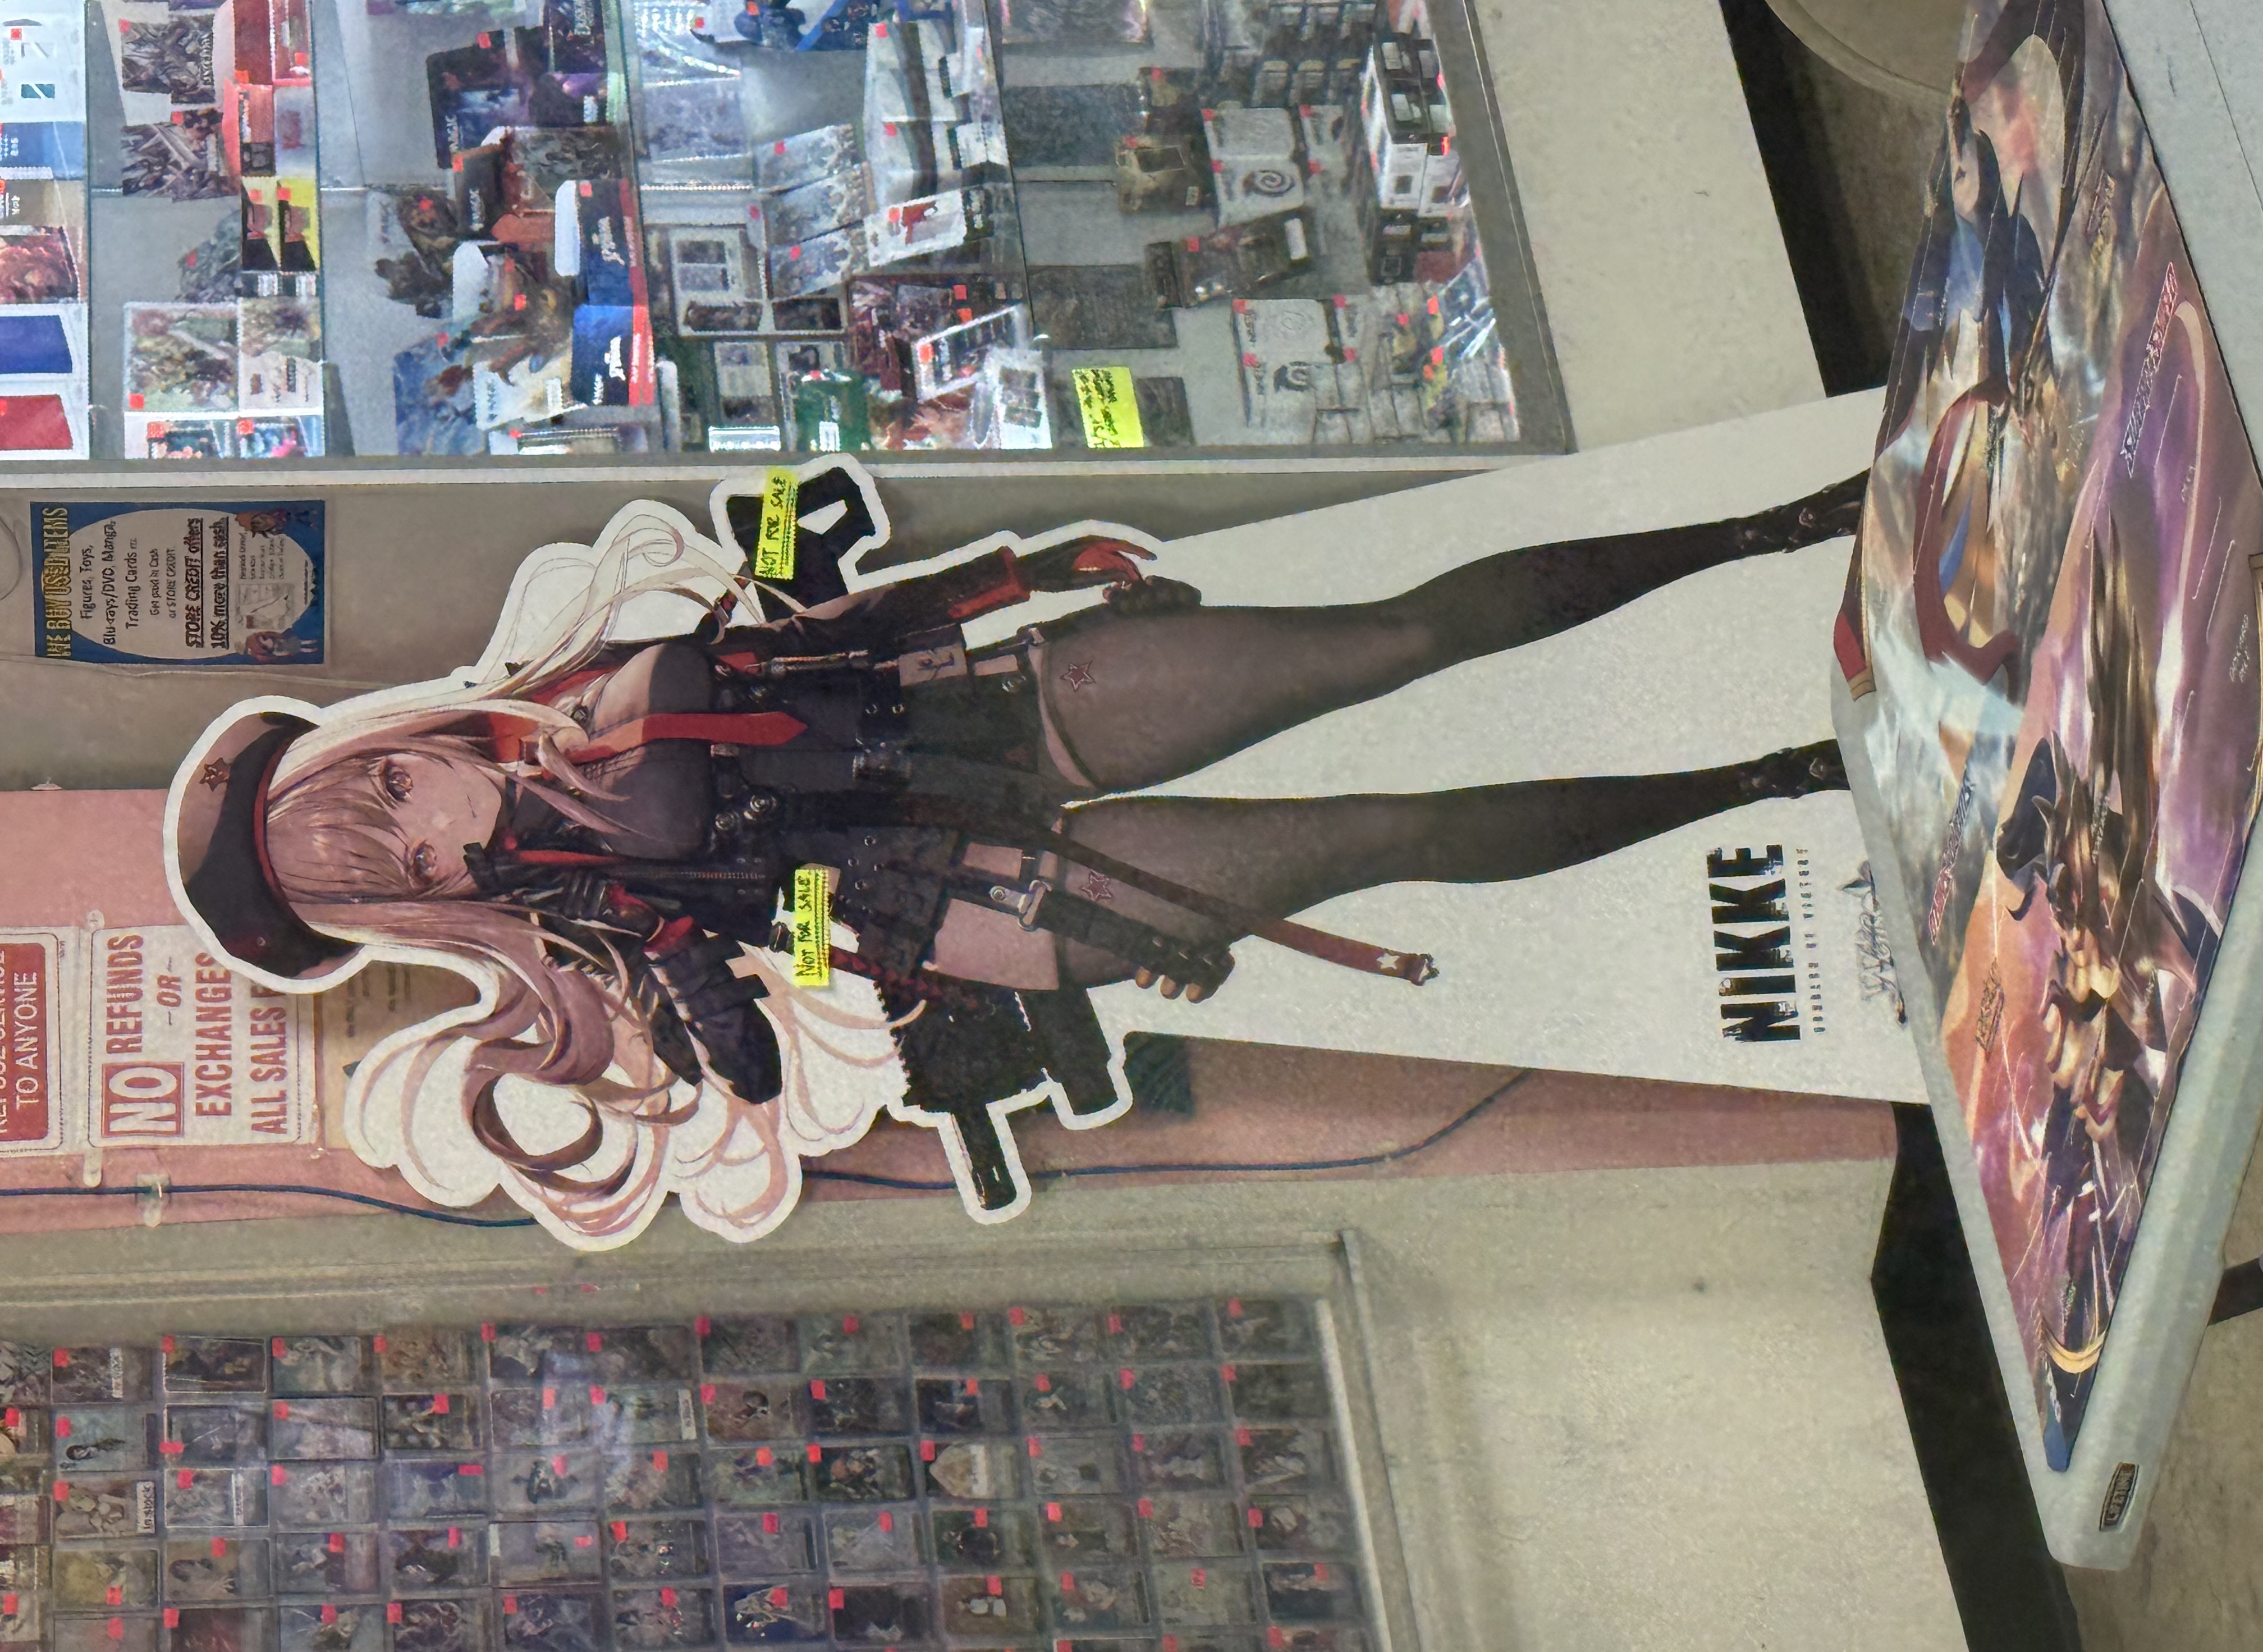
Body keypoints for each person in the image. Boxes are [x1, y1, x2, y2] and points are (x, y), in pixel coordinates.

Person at [170, 463, 1865, 1234]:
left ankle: (1767, 523)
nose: (426, 822)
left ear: (402, 744)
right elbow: (746, 1045)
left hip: (990, 719)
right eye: (395, 857)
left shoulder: (588, 680)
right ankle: (1770, 780)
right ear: (421, 904)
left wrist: (1011, 578)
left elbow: (826, 632)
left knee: (1389, 641)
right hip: (975, 900)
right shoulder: (602, 917)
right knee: (1385, 835)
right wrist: (698, 964)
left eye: (387, 790)